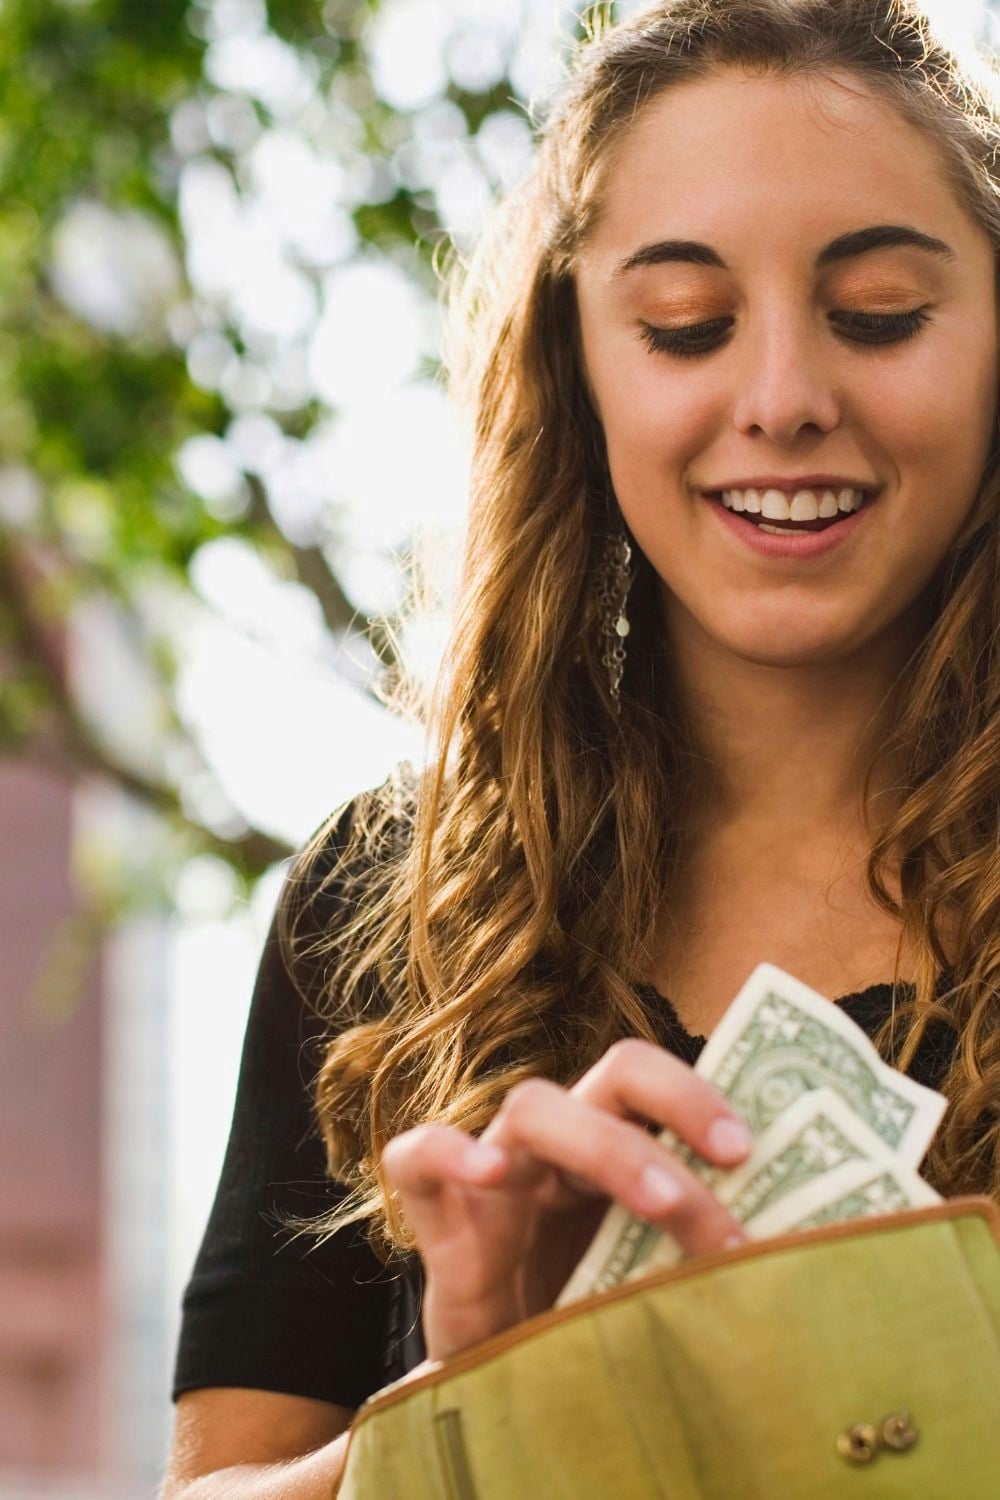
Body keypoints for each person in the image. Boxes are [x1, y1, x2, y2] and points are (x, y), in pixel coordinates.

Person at [159, 1, 1000, 1494]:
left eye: (877, 312)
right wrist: (478, 1405)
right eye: (685, 326)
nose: (785, 400)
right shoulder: (384, 903)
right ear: (581, 359)